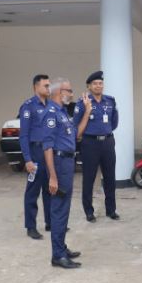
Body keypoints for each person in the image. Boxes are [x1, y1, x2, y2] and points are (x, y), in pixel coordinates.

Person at [42, 79, 83, 269]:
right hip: (58, 163)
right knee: (59, 209)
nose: (72, 94)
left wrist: (87, 112)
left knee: (64, 207)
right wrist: (52, 176)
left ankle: (61, 247)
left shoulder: (62, 112)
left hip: (67, 162)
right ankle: (57, 256)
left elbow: (75, 135)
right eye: (69, 90)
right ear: (59, 92)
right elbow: (47, 147)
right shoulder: (50, 114)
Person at [74, 71, 120, 223]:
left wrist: (105, 131)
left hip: (107, 142)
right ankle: (89, 211)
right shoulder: (82, 102)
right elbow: (76, 126)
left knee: (110, 178)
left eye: (100, 83)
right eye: (95, 83)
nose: (98, 86)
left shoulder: (110, 101)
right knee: (89, 178)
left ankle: (111, 210)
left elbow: (114, 123)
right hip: (90, 143)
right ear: (89, 86)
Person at [19, 74, 52, 240]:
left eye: (49, 85)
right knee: (32, 191)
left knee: (50, 188)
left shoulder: (51, 105)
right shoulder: (28, 106)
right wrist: (28, 159)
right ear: (36, 87)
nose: (48, 88)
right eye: (45, 85)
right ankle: (31, 227)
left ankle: (50, 222)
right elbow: (23, 135)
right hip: (36, 152)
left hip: (50, 152)